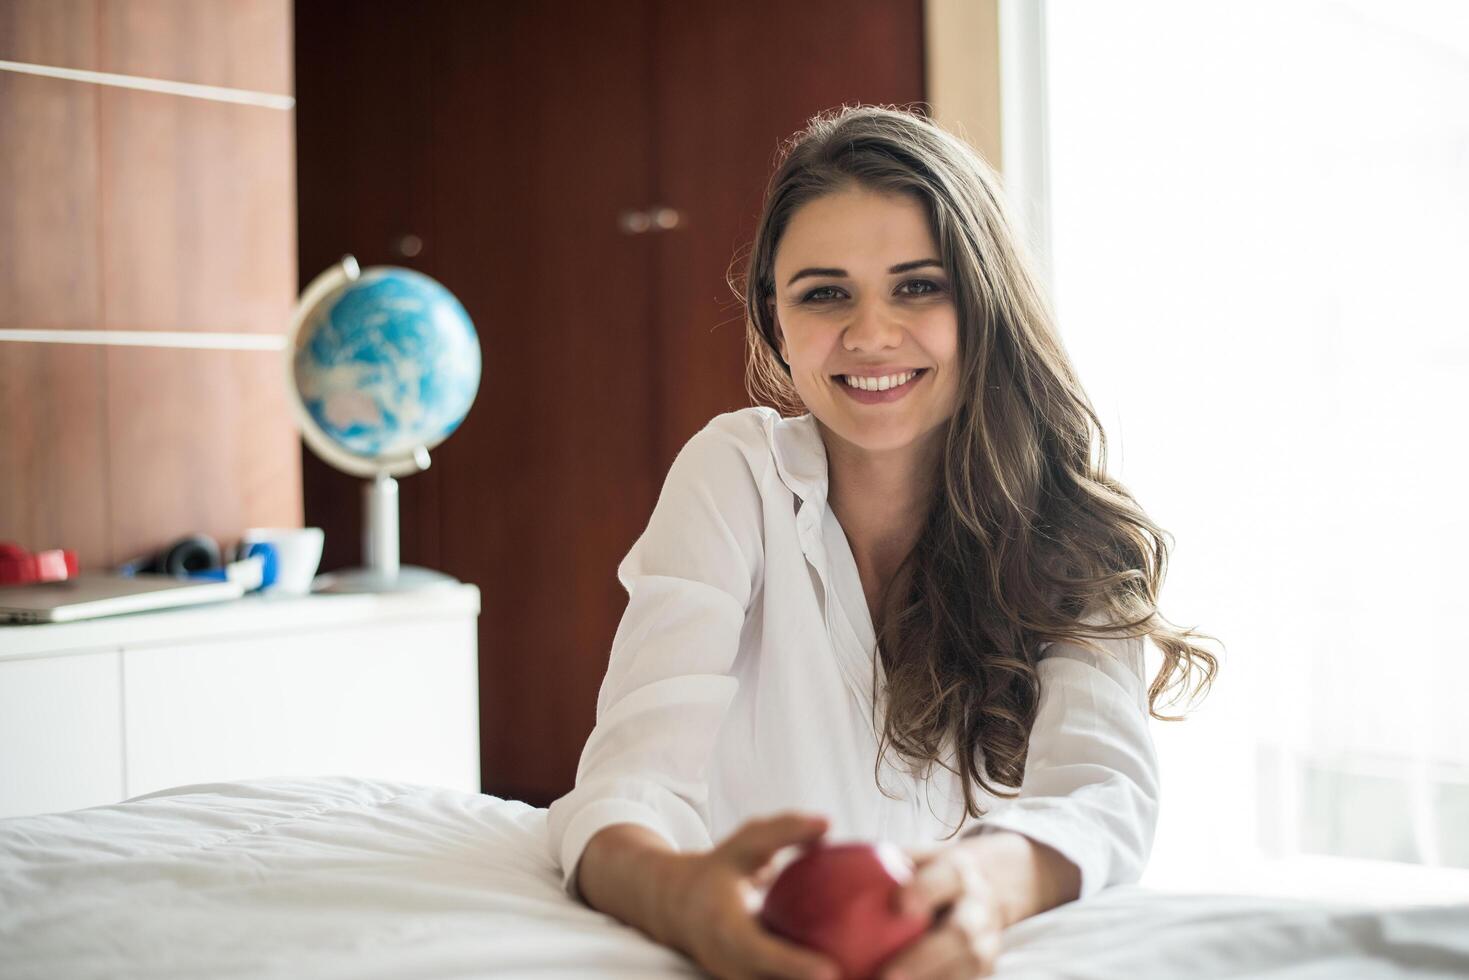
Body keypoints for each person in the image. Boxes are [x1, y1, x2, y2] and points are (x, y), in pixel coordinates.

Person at [546, 104, 1220, 980]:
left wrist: (987, 882)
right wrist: (683, 898)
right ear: (776, 321)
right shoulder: (733, 473)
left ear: (983, 304)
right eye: (824, 293)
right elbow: (627, 778)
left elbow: (1102, 792)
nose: (868, 335)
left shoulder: (1072, 529)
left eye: (917, 285)